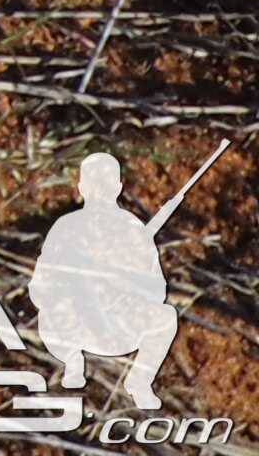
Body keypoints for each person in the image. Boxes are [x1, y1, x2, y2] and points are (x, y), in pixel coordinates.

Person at [31, 154, 178, 410]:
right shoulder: (66, 227)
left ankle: (140, 380)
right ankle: (73, 363)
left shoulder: (133, 228)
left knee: (166, 317)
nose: (100, 190)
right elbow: (41, 285)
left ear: (118, 188)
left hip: (120, 325)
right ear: (82, 188)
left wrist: (122, 280)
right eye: (94, 184)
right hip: (74, 324)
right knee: (51, 312)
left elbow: (157, 290)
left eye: (106, 184)